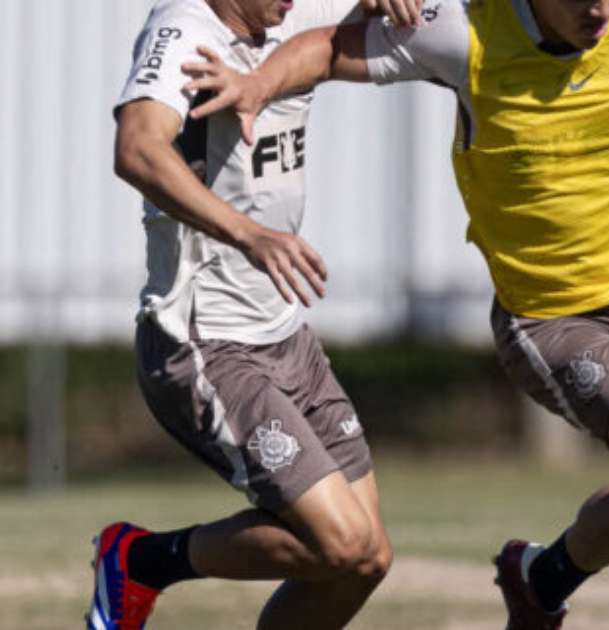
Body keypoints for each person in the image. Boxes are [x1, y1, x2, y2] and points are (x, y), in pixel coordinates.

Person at [184, 0, 609, 626]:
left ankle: (541, 578)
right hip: (553, 323)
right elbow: (330, 48)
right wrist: (259, 84)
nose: (600, 10)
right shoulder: (461, 31)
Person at [89, 0, 419, 627]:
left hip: (286, 336)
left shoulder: (290, 9)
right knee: (342, 543)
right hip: (203, 343)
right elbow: (136, 149)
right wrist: (248, 233)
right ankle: (140, 562)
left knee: (367, 558)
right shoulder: (183, 30)